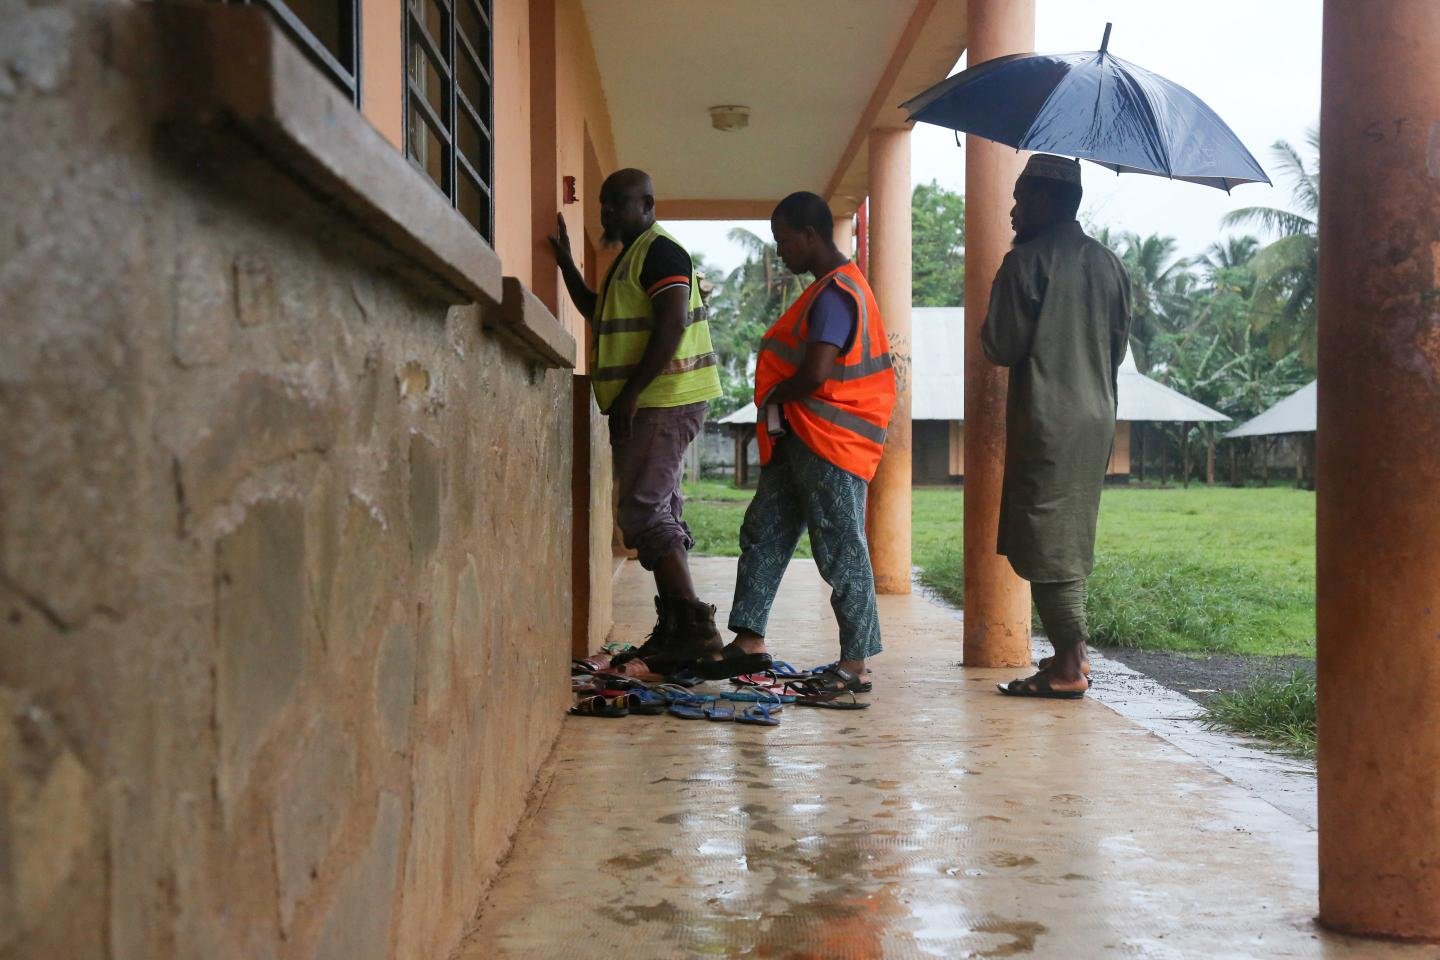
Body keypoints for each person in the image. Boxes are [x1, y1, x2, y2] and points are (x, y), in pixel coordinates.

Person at [718, 191, 897, 696]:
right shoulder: (826, 291)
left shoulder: (838, 293)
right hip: (800, 437)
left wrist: (777, 393)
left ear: (810, 234)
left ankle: (855, 665)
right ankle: (749, 640)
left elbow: (817, 373)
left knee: (841, 549)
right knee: (764, 531)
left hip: (832, 442)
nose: (780, 252)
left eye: (783, 240)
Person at [548, 168, 724, 675]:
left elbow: (671, 324)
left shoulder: (660, 252)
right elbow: (598, 312)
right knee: (658, 509)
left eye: (618, 204)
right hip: (654, 400)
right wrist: (565, 264)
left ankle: (696, 632)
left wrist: (630, 394)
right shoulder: (629, 258)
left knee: (645, 513)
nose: (607, 214)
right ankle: (675, 630)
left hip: (664, 399)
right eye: (603, 205)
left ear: (647, 204)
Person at [983, 154, 1132, 699]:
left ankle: (1069, 667)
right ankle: (1074, 656)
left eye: (1021, 199)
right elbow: (1117, 346)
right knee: (1067, 533)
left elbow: (999, 345)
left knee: (1048, 541)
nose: (1014, 212)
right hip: (1095, 417)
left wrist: (1013, 271)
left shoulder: (1027, 262)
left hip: (1048, 417)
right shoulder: (1110, 263)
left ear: (1045, 202)